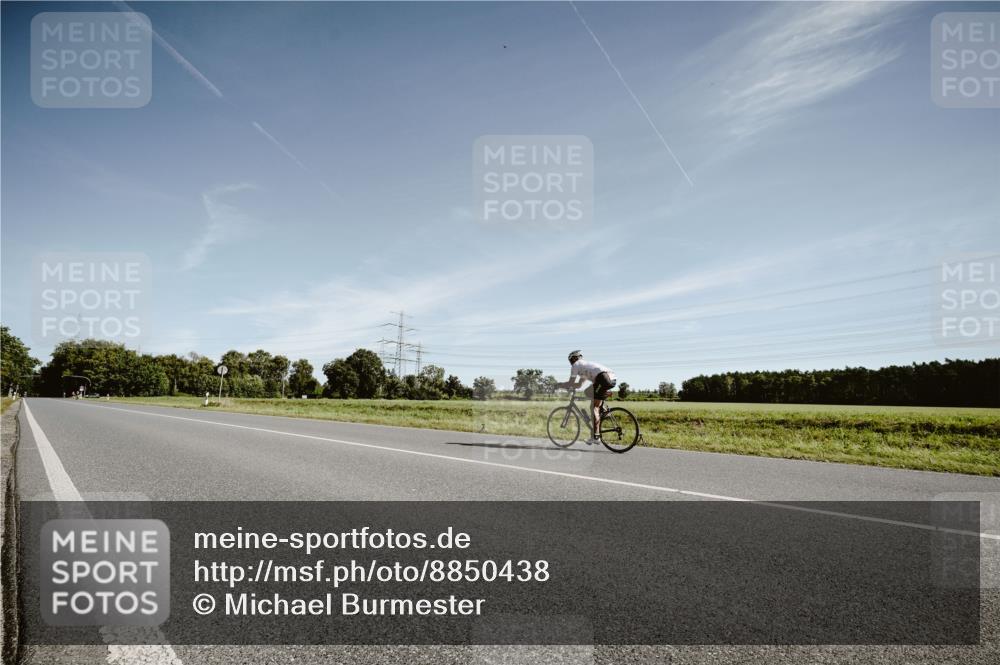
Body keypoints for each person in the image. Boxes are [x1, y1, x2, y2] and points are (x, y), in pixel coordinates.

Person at [557, 350, 616, 443]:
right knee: (587, 392)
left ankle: (596, 437)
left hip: (603, 378)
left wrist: (559, 385)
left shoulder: (576, 365)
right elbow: (579, 385)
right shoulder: (584, 368)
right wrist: (568, 386)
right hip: (610, 378)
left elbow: (571, 383)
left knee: (594, 407)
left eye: (570, 360)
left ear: (574, 358)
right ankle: (602, 409)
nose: (571, 363)